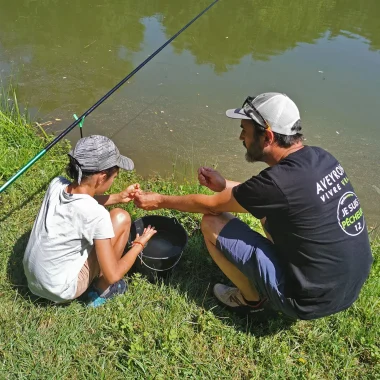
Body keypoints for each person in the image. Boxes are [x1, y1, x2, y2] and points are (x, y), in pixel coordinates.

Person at [133, 92, 373, 320]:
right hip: (347, 287)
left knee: (211, 222)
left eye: (244, 131)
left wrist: (159, 200)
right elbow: (270, 194)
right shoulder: (321, 157)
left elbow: (210, 205)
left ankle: (251, 300)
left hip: (306, 300)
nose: (241, 138)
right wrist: (224, 184)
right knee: (267, 215)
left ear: (268, 137)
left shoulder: (278, 182)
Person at [23, 135, 156, 306]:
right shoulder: (96, 215)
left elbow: (81, 202)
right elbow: (113, 274)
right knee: (121, 218)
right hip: (60, 290)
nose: (114, 180)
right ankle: (101, 291)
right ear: (101, 177)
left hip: (33, 280)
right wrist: (139, 244)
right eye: (114, 177)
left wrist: (118, 197)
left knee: (114, 217)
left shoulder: (56, 184)